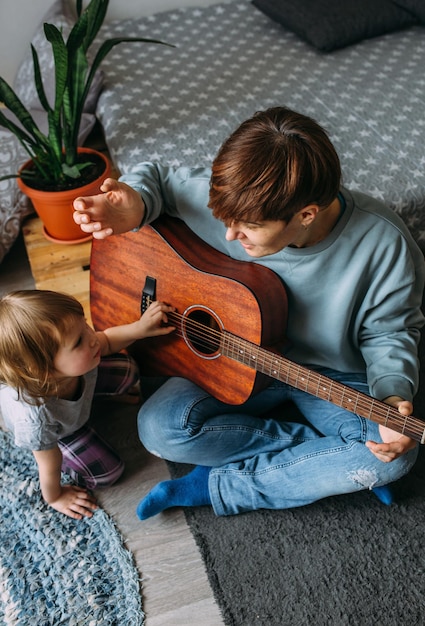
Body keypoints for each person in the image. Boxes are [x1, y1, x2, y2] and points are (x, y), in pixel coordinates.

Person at [73, 106, 425, 519]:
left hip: (330, 376)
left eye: (247, 228)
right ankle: (320, 462)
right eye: (225, 219)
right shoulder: (234, 199)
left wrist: (392, 396)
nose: (229, 234)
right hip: (232, 358)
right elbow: (158, 179)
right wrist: (134, 203)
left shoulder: (383, 243)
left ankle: (218, 484)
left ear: (306, 214)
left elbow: (390, 332)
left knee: (394, 457)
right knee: (158, 428)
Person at [0, 289, 175, 520]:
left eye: (85, 325)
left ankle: (95, 399)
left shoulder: (77, 357)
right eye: (79, 340)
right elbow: (48, 464)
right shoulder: (35, 420)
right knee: (108, 473)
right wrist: (54, 497)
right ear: (44, 372)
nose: (92, 336)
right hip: (59, 434)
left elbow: (108, 340)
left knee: (128, 369)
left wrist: (140, 328)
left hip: (74, 390)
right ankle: (74, 450)